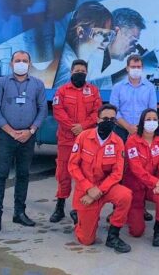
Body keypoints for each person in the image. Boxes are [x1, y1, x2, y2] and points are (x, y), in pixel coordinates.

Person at [0, 50, 47, 232]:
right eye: (17, 60)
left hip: (27, 138)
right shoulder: (1, 83)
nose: (21, 63)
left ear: (30, 64)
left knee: (23, 175)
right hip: (6, 137)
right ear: (11, 64)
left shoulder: (37, 84)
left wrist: (31, 131)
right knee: (1, 175)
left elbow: (42, 109)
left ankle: (19, 213)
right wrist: (11, 131)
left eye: (25, 60)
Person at [68, 104, 133, 252]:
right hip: (86, 189)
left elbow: (117, 173)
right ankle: (80, 216)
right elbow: (73, 166)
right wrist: (89, 188)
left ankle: (113, 236)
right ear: (97, 120)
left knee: (125, 195)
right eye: (105, 118)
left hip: (106, 187)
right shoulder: (83, 137)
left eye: (112, 119)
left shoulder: (118, 142)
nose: (108, 121)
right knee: (86, 240)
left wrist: (98, 190)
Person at [50, 59, 102, 224]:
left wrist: (83, 126)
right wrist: (73, 127)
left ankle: (80, 207)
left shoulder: (93, 91)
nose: (79, 73)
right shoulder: (62, 90)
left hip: (87, 140)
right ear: (71, 72)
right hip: (67, 139)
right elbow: (58, 111)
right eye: (76, 70)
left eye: (82, 70)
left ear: (86, 73)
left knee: (86, 173)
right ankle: (60, 206)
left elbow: (97, 112)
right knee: (63, 173)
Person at [124, 109, 159, 246]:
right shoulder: (132, 141)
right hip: (135, 188)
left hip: (153, 187)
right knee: (136, 232)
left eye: (154, 119)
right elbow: (136, 169)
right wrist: (157, 182)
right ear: (142, 122)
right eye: (148, 119)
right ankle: (130, 212)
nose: (152, 122)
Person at [54, 1, 113, 87]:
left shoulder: (99, 65)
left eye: (108, 34)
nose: (105, 41)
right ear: (80, 31)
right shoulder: (60, 65)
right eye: (99, 33)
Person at [109, 54, 157, 141]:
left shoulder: (150, 87)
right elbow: (114, 111)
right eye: (133, 67)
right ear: (127, 68)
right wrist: (128, 127)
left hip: (142, 130)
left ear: (142, 68)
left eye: (138, 67)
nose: (136, 69)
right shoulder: (117, 87)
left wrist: (139, 127)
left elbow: (152, 111)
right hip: (121, 130)